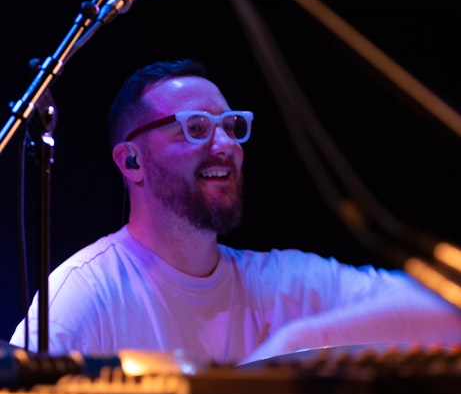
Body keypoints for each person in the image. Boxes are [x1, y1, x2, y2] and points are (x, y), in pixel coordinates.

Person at [9, 58, 461, 365]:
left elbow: (448, 309)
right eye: (196, 128)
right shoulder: (85, 294)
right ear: (132, 161)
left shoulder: (280, 283)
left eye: (231, 126)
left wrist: (295, 342)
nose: (225, 146)